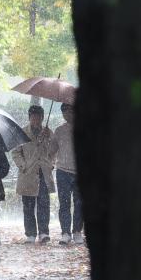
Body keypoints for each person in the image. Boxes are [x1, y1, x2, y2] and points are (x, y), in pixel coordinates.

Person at [12, 105, 56, 244]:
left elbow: (54, 151)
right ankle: (30, 233)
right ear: (29, 118)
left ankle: (43, 232)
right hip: (27, 173)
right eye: (33, 117)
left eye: (38, 117)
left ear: (42, 118)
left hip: (43, 172)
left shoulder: (48, 133)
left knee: (44, 203)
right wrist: (23, 166)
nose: (35, 120)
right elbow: (16, 152)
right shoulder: (22, 133)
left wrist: (48, 140)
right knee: (28, 205)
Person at [51, 103, 84, 245]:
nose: (66, 114)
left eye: (69, 111)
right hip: (62, 171)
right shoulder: (58, 131)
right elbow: (51, 151)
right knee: (64, 203)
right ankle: (65, 232)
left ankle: (77, 231)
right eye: (64, 112)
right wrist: (45, 138)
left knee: (79, 203)